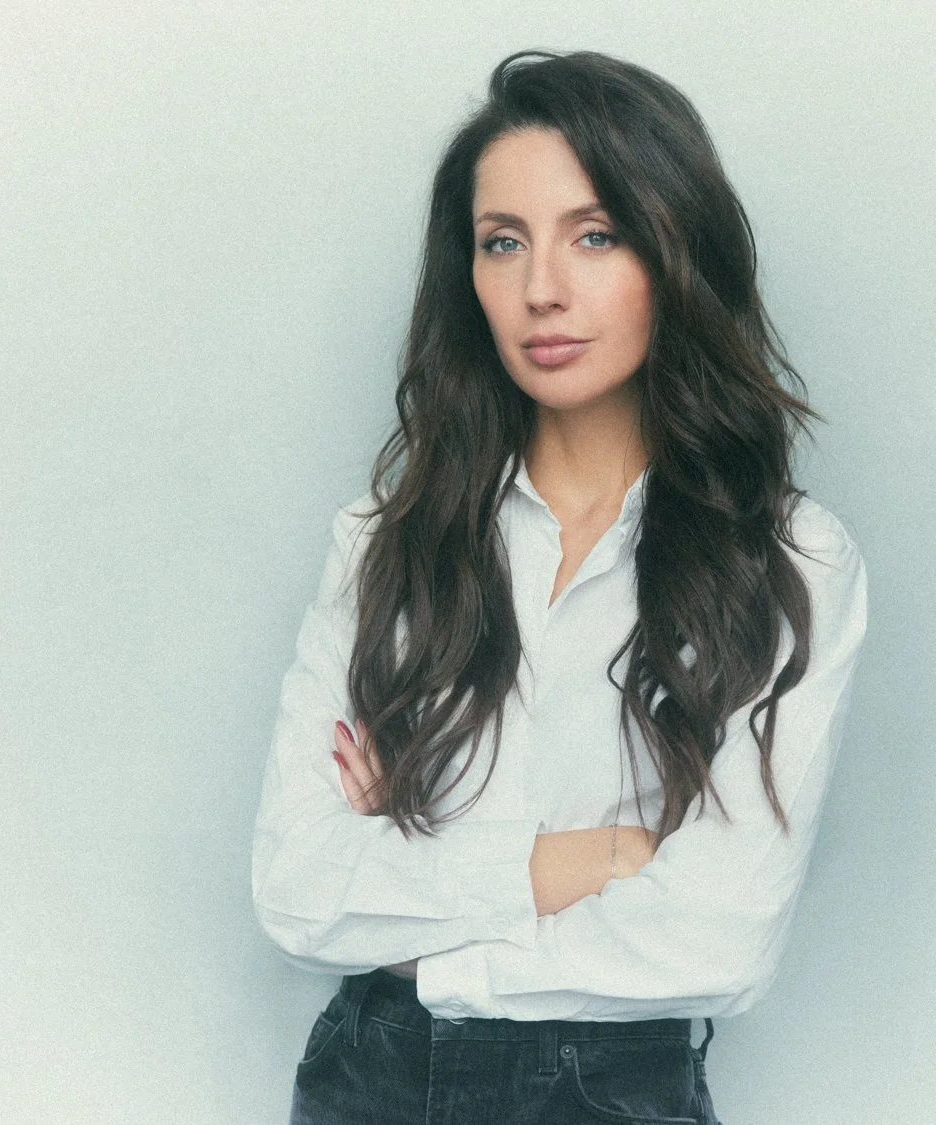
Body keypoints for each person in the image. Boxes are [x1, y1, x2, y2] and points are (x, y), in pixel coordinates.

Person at [252, 48, 868, 1124]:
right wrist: (594, 858)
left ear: (674, 252)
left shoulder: (787, 563)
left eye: (595, 235)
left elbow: (717, 941)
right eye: (503, 243)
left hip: (610, 1091)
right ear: (469, 274)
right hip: (368, 1080)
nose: (543, 288)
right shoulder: (380, 547)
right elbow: (299, 893)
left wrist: (427, 931)